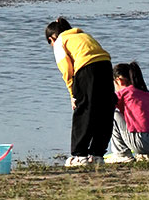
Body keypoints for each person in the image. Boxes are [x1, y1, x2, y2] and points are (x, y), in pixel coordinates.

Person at [45, 17, 115, 166]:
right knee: (104, 109)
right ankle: (97, 155)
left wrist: (73, 95)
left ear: (52, 38)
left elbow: (67, 71)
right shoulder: (83, 35)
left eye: (50, 43)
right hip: (106, 66)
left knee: (83, 110)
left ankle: (80, 155)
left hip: (86, 68)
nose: (52, 46)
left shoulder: (59, 42)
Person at [107, 61, 149, 163]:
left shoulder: (123, 94)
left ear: (119, 81)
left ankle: (122, 154)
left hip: (141, 143)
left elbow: (104, 108)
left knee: (114, 115)